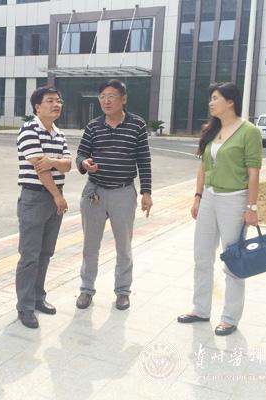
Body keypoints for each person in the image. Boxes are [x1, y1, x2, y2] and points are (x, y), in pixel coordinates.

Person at [177, 82, 262, 336]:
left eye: (215, 98)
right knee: (202, 256)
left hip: (234, 199)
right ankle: (200, 309)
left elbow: (254, 172)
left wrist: (252, 207)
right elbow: (203, 167)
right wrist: (197, 197)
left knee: (233, 259)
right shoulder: (212, 130)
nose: (211, 103)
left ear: (230, 101)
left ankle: (230, 317)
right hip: (209, 198)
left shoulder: (249, 132)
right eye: (210, 98)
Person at [75, 79, 153, 311]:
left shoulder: (137, 125)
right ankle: (86, 290)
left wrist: (146, 192)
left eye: (111, 96)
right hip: (95, 192)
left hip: (123, 193)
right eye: (102, 97)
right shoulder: (93, 126)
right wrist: (84, 163)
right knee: (90, 246)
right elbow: (80, 154)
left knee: (124, 246)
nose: (106, 101)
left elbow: (144, 160)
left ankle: (122, 292)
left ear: (123, 99)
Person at [15, 86, 71, 329]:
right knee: (29, 256)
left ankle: (38, 297)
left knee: (46, 252)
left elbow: (68, 165)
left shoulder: (59, 133)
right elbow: (40, 168)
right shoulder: (29, 130)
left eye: (58, 101)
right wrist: (57, 195)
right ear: (37, 107)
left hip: (54, 200)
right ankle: (25, 306)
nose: (56, 104)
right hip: (35, 198)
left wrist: (53, 161)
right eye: (50, 101)